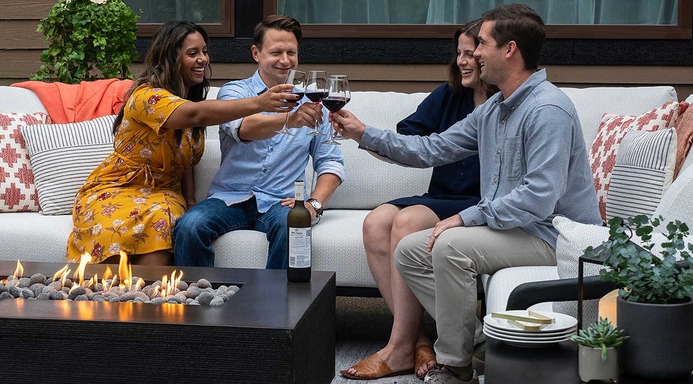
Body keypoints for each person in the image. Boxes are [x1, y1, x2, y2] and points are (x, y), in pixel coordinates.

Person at [332, 4, 601, 383]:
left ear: (509, 50)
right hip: (517, 227)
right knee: (410, 250)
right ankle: (478, 343)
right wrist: (362, 132)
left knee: (450, 245)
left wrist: (464, 217)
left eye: (482, 44)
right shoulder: (496, 107)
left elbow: (539, 197)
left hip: (554, 233)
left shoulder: (547, 109)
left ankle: (454, 366)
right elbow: (433, 149)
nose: (473, 53)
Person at [341, 19, 498, 381]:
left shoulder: (501, 105)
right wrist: (359, 134)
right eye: (458, 53)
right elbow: (407, 145)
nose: (462, 61)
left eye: (470, 53)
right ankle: (417, 340)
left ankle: (397, 348)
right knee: (376, 221)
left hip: (478, 202)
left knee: (408, 221)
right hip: (442, 197)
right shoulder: (449, 95)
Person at [67, 21, 298, 265]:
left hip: (164, 194)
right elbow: (194, 115)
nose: (203, 59)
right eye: (192, 53)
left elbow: (183, 160)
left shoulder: (190, 98)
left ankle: (161, 296)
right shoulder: (148, 96)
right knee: (116, 230)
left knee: (165, 225)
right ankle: (105, 294)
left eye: (205, 51)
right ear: (169, 58)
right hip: (121, 187)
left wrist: (190, 202)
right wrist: (260, 103)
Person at [172, 15, 345, 269]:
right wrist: (290, 119)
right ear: (256, 53)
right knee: (189, 226)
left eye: (291, 52)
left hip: (281, 201)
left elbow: (331, 162)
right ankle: (200, 303)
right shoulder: (235, 93)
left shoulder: (315, 104)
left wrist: (313, 204)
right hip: (231, 198)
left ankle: (277, 306)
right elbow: (243, 128)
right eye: (276, 52)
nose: (285, 60)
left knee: (293, 226)